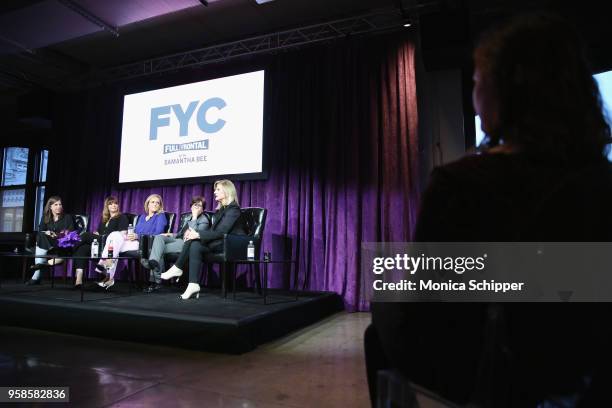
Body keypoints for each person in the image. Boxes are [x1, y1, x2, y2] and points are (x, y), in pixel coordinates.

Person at [367, 13, 612, 407]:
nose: (473, 97)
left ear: (505, 92)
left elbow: (423, 327)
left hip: (497, 380)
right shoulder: (602, 181)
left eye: (477, 81)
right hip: (585, 381)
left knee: (383, 312)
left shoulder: (462, 185)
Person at [161, 180, 245, 300]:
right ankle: (193, 284)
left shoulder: (233, 209)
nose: (214, 192)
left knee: (195, 238)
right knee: (194, 243)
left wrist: (197, 234)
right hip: (221, 242)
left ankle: (178, 267)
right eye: (215, 189)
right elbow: (213, 231)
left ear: (227, 191)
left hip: (232, 244)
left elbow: (221, 232)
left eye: (218, 189)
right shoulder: (222, 210)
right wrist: (195, 234)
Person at [96, 194, 168, 289]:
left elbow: (158, 233)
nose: (155, 204)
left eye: (157, 203)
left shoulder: (160, 216)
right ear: (148, 204)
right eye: (152, 202)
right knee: (114, 236)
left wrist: (137, 236)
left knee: (114, 241)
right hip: (134, 242)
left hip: (145, 244)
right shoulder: (142, 217)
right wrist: (130, 236)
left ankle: (103, 262)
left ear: (160, 205)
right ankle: (109, 276)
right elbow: (135, 231)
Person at [141, 196, 210, 293]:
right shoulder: (188, 218)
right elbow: (180, 234)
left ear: (203, 209)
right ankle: (154, 265)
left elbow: (196, 235)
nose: (195, 208)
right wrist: (170, 234)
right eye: (194, 205)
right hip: (178, 240)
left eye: (199, 206)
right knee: (159, 238)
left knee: (157, 249)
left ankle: (155, 277)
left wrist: (194, 216)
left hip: (188, 244)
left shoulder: (204, 219)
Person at [70, 196, 129, 289]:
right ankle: (79, 281)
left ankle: (68, 250)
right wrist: (96, 234)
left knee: (85, 235)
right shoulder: (104, 219)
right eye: (110, 204)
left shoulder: (122, 217)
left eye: (115, 203)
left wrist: (100, 236)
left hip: (110, 242)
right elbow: (98, 232)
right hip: (100, 242)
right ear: (107, 206)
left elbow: (122, 234)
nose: (114, 205)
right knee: (83, 248)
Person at [27, 196, 75, 285]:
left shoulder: (67, 217)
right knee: (41, 235)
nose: (58, 206)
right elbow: (41, 230)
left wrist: (56, 235)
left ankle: (36, 275)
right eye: (55, 204)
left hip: (62, 244)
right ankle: (38, 272)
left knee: (41, 241)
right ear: (50, 206)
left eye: (60, 204)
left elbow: (71, 233)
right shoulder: (45, 217)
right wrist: (48, 233)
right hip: (48, 243)